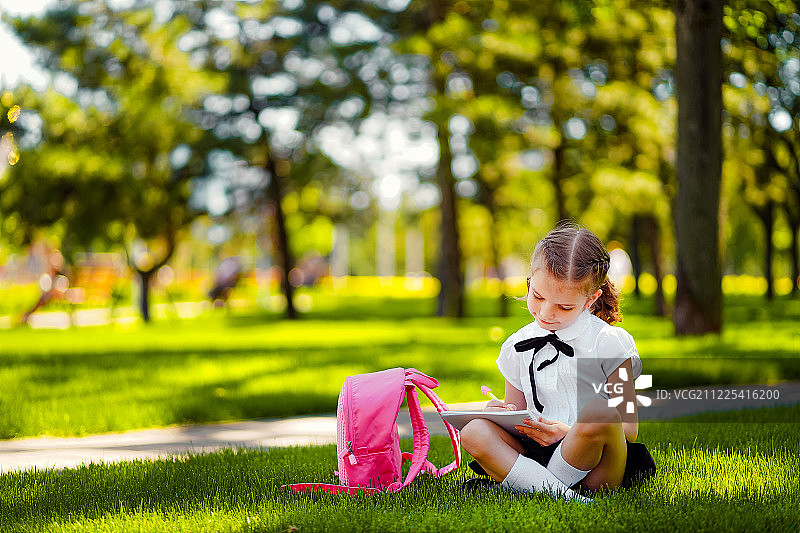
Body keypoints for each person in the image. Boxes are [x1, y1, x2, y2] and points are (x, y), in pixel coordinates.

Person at [460, 222, 655, 502]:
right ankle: (559, 493)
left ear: (590, 299)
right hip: (535, 453)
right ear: (529, 281)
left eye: (564, 307)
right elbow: (517, 413)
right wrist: (501, 414)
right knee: (474, 431)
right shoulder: (516, 345)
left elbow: (628, 429)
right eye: (538, 296)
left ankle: (528, 487)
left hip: (596, 464)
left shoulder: (609, 342)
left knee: (599, 412)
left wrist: (568, 432)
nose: (546, 313)